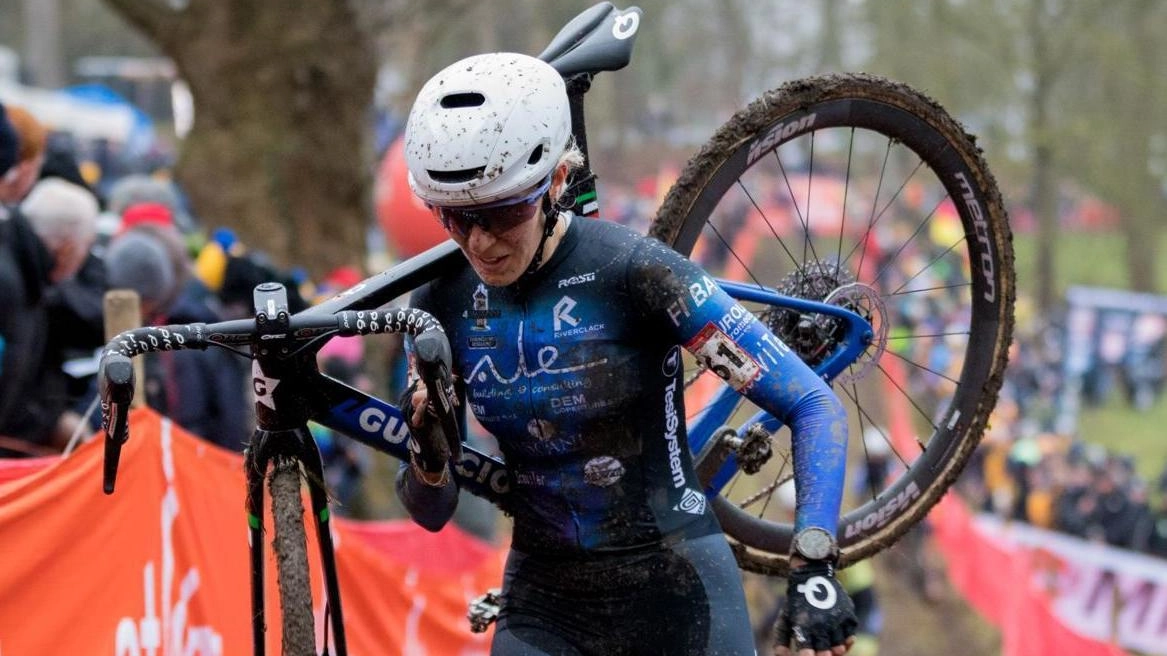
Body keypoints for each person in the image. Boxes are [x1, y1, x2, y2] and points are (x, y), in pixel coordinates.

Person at [395, 53, 857, 656]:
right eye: (454, 218)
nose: (479, 241)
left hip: (677, 584)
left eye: (502, 212)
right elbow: (431, 511)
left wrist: (815, 564)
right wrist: (430, 455)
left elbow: (811, 403)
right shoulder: (440, 301)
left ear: (557, 182)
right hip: (544, 604)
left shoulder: (635, 273)